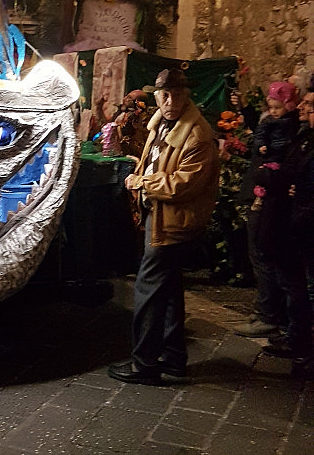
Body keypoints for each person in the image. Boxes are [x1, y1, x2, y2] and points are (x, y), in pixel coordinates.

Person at [108, 68, 220, 385]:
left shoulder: (197, 134)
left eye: (175, 94)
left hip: (173, 223)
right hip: (159, 216)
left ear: (186, 96)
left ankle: (145, 363)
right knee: (169, 289)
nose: (169, 100)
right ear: (156, 95)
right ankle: (173, 358)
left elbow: (182, 185)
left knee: (148, 289)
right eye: (163, 94)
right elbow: (154, 159)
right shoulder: (160, 121)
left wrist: (142, 181)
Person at [234, 81, 300, 338]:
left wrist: (263, 184)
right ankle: (267, 310)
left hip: (268, 198)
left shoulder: (288, 129)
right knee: (259, 254)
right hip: (262, 194)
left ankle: (268, 314)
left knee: (263, 255)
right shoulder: (277, 125)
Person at [258, 86, 314, 377]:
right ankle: (297, 340)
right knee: (294, 285)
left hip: (305, 223)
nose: (303, 108)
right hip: (295, 222)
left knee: (305, 288)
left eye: (310, 105)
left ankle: (305, 350)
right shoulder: (304, 136)